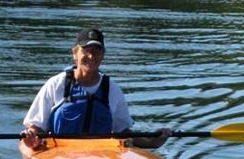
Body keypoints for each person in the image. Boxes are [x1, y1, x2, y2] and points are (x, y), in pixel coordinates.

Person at [23, 27, 170, 149]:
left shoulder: (112, 89)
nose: (92, 56)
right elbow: (36, 126)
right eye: (86, 50)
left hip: (102, 154)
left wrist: (152, 141)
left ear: (103, 56)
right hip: (59, 153)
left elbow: (123, 132)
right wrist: (32, 137)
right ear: (75, 53)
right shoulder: (56, 84)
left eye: (97, 51)